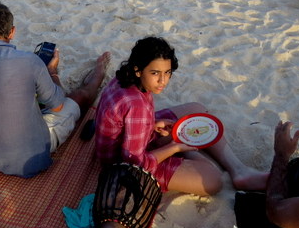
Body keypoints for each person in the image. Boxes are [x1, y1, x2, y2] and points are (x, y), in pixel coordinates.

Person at [95, 36, 268, 196]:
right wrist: (174, 148)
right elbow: (135, 163)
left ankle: (239, 170)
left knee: (197, 110)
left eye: (167, 73)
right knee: (213, 180)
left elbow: (125, 119)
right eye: (155, 73)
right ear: (138, 70)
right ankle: (184, 147)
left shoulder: (125, 77)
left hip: (133, 138)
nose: (163, 81)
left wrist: (152, 123)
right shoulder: (136, 104)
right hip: (123, 166)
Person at [0, 2, 109, 177]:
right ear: (12, 32)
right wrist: (52, 73)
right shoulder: (29, 61)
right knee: (77, 98)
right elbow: (57, 106)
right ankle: (98, 75)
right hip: (26, 158)